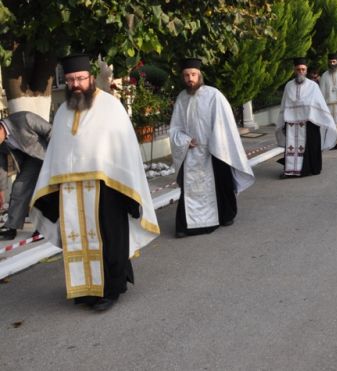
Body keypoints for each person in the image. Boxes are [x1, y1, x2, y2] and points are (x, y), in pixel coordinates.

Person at [31, 54, 159, 311]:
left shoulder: (111, 107)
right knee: (77, 239)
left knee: (109, 239)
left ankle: (110, 291)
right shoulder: (63, 113)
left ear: (90, 78)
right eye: (70, 80)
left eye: (79, 78)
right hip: (71, 191)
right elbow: (57, 151)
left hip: (107, 188)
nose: (75, 84)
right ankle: (86, 291)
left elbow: (124, 148)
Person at [169, 58, 254, 237]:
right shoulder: (181, 98)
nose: (190, 79)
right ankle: (185, 225)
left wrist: (215, 144)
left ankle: (226, 215)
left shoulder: (214, 95)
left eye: (193, 75)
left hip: (214, 150)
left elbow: (224, 125)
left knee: (221, 183)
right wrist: (184, 140)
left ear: (199, 75)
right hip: (190, 151)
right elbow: (175, 128)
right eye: (186, 75)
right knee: (190, 189)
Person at [275, 58, 337, 178]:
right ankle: (290, 169)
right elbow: (285, 103)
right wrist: (283, 121)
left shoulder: (313, 85)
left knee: (310, 146)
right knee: (292, 147)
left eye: (303, 69)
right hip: (291, 123)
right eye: (298, 69)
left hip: (309, 122)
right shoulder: (288, 86)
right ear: (294, 70)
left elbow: (319, 104)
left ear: (306, 70)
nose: (300, 71)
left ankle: (307, 169)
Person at [0, 112, 51, 240]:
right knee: (19, 187)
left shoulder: (25, 118)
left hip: (49, 157)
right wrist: (1, 190)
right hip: (31, 162)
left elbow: (51, 131)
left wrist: (56, 157)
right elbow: (2, 167)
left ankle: (44, 229)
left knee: (44, 193)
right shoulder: (2, 143)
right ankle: (11, 227)